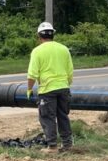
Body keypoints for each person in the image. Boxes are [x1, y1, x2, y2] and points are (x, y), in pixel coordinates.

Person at [26, 21, 73, 152]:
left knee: (47, 117)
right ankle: (67, 144)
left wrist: (29, 89)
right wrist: (65, 85)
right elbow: (70, 72)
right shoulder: (64, 49)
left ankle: (52, 146)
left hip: (47, 90)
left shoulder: (37, 51)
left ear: (39, 36)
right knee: (63, 116)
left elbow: (32, 74)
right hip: (63, 88)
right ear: (53, 35)